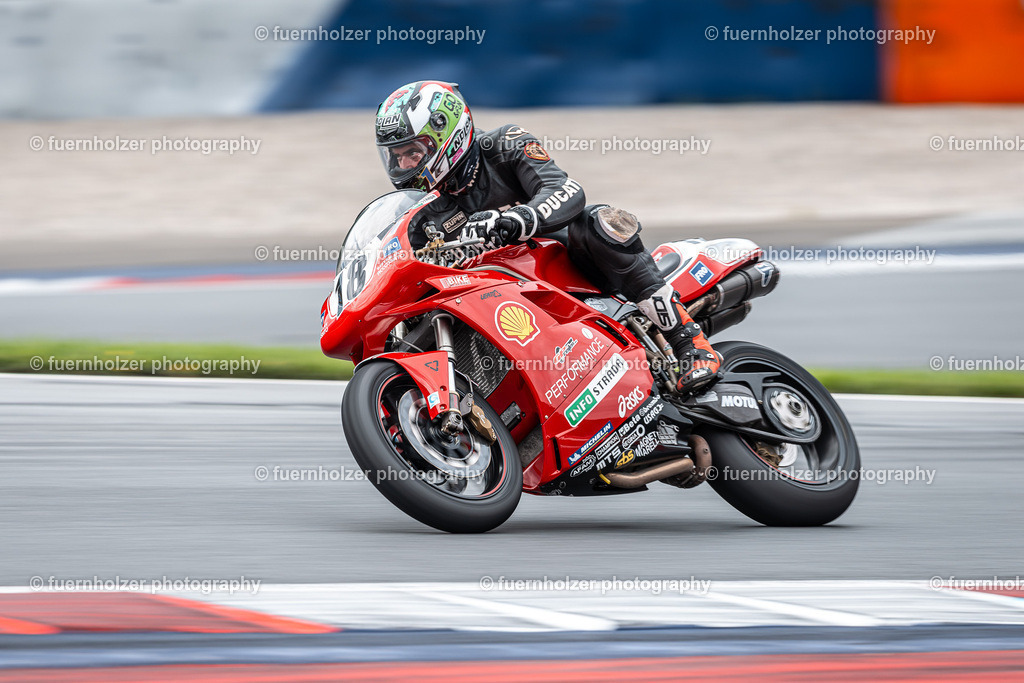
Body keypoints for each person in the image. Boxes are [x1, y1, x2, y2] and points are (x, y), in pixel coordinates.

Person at [374, 80, 721, 393]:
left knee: (597, 221)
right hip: (503, 299)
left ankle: (688, 342)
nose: (405, 166)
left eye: (414, 152)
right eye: (398, 157)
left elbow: (565, 190)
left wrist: (517, 218)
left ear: (445, 133)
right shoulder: (425, 216)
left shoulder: (503, 144)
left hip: (571, 264)